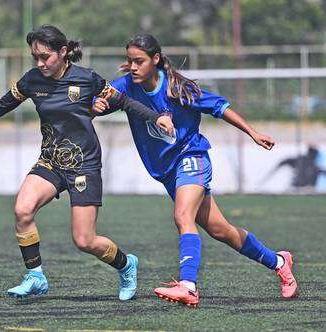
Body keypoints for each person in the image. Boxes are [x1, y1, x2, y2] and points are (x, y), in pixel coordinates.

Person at [0, 25, 173, 301]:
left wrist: (156, 116)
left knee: (84, 241)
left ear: (63, 52)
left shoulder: (87, 79)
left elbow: (124, 101)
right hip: (50, 161)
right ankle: (35, 276)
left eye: (45, 57)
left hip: (84, 165)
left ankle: (126, 265)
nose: (40, 63)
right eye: (35, 58)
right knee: (22, 210)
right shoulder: (32, 80)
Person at [93, 34, 297, 307]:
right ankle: (279, 262)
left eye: (138, 61)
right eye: (129, 61)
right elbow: (102, 101)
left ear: (155, 60)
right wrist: (98, 105)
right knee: (221, 230)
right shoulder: (127, 86)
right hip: (167, 172)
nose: (132, 67)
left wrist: (253, 133)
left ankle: (188, 286)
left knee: (182, 216)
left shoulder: (178, 89)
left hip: (192, 157)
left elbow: (220, 108)